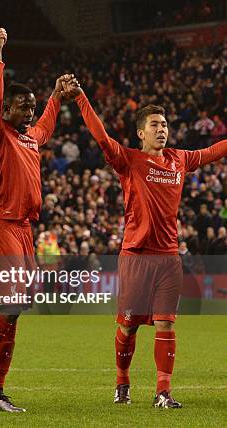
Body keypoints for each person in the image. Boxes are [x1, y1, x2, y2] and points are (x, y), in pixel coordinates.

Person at [68, 79, 227, 408]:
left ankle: (162, 392)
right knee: (128, 328)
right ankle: (122, 382)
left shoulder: (179, 160)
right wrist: (82, 97)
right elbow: (100, 135)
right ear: (141, 133)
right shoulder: (128, 161)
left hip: (169, 256)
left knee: (165, 322)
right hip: (136, 256)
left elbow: (214, 151)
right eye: (155, 124)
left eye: (165, 124)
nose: (162, 129)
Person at [0, 28, 74, 412]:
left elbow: (45, 126)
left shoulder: (29, 138)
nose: (29, 111)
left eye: (32, 106)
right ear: (6, 110)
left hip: (23, 228)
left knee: (15, 311)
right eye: (23, 106)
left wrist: (54, 96)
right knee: (9, 305)